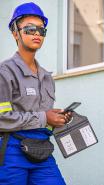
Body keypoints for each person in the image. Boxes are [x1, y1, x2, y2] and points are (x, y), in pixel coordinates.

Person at [0, 2, 71, 185]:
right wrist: (44, 117)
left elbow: (41, 118)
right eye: (30, 29)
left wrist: (57, 119)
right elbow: (2, 118)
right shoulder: (5, 72)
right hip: (12, 152)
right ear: (15, 33)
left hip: (42, 151)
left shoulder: (47, 77)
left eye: (41, 30)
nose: (37, 34)